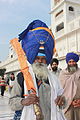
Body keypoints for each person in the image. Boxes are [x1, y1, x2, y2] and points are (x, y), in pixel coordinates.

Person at [9, 20, 66, 120]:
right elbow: (11, 102)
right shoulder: (22, 77)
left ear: (47, 59)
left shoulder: (53, 78)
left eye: (43, 58)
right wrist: (23, 101)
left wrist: (62, 101)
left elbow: (62, 100)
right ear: (32, 58)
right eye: (37, 58)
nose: (40, 61)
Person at [59, 52, 80, 120]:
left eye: (73, 61)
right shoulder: (62, 74)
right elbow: (60, 91)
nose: (72, 63)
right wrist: (69, 101)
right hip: (67, 105)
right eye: (70, 62)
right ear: (67, 63)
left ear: (76, 62)